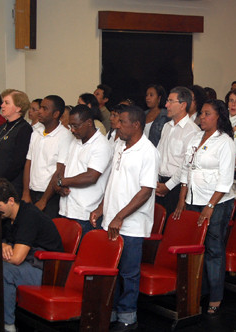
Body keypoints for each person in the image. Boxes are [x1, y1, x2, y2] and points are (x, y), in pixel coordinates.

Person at [90, 104, 159, 330]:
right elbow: (113, 180)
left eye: (122, 122)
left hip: (131, 224)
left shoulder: (148, 152)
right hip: (111, 219)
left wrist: (119, 217)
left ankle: (128, 314)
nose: (117, 125)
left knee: (129, 273)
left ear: (136, 125)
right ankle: (111, 310)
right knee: (110, 270)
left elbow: (146, 190)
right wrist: (102, 208)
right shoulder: (119, 144)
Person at [174, 99, 235, 314]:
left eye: (207, 114)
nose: (202, 117)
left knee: (213, 249)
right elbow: (185, 170)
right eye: (201, 113)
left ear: (218, 117)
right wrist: (182, 199)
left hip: (216, 203)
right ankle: (199, 291)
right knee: (194, 247)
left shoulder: (225, 141)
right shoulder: (195, 138)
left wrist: (210, 205)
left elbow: (226, 179)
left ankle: (216, 296)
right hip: (192, 200)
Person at [0, 178, 63, 332]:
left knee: (4, 269)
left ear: (11, 201)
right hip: (27, 261)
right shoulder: (3, 215)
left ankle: (6, 325)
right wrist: (1, 245)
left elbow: (16, 259)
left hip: (47, 270)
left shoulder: (29, 215)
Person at [55, 104, 112, 236]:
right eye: (70, 126)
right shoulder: (76, 141)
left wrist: (62, 182)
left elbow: (91, 177)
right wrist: (59, 184)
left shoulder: (101, 145)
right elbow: (64, 167)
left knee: (82, 254)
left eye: (76, 126)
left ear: (89, 123)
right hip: (66, 208)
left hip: (85, 213)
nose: (72, 130)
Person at [22, 95, 73, 219]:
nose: (39, 111)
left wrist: (44, 200)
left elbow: (59, 170)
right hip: (32, 191)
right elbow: (29, 162)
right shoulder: (36, 132)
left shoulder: (64, 136)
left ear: (55, 114)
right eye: (40, 108)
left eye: (44, 109)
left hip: (50, 194)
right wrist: (26, 192)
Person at [156, 87, 200, 216]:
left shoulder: (192, 130)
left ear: (183, 105)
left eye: (170, 101)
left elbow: (187, 164)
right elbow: (159, 155)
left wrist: (168, 186)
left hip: (177, 186)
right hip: (160, 183)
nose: (166, 105)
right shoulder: (166, 126)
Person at [0, 89, 33, 195]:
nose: (2, 105)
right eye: (3, 102)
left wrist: (0, 181)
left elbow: (18, 161)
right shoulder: (2, 127)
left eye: (6, 103)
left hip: (12, 184)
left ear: (18, 108)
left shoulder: (24, 129)